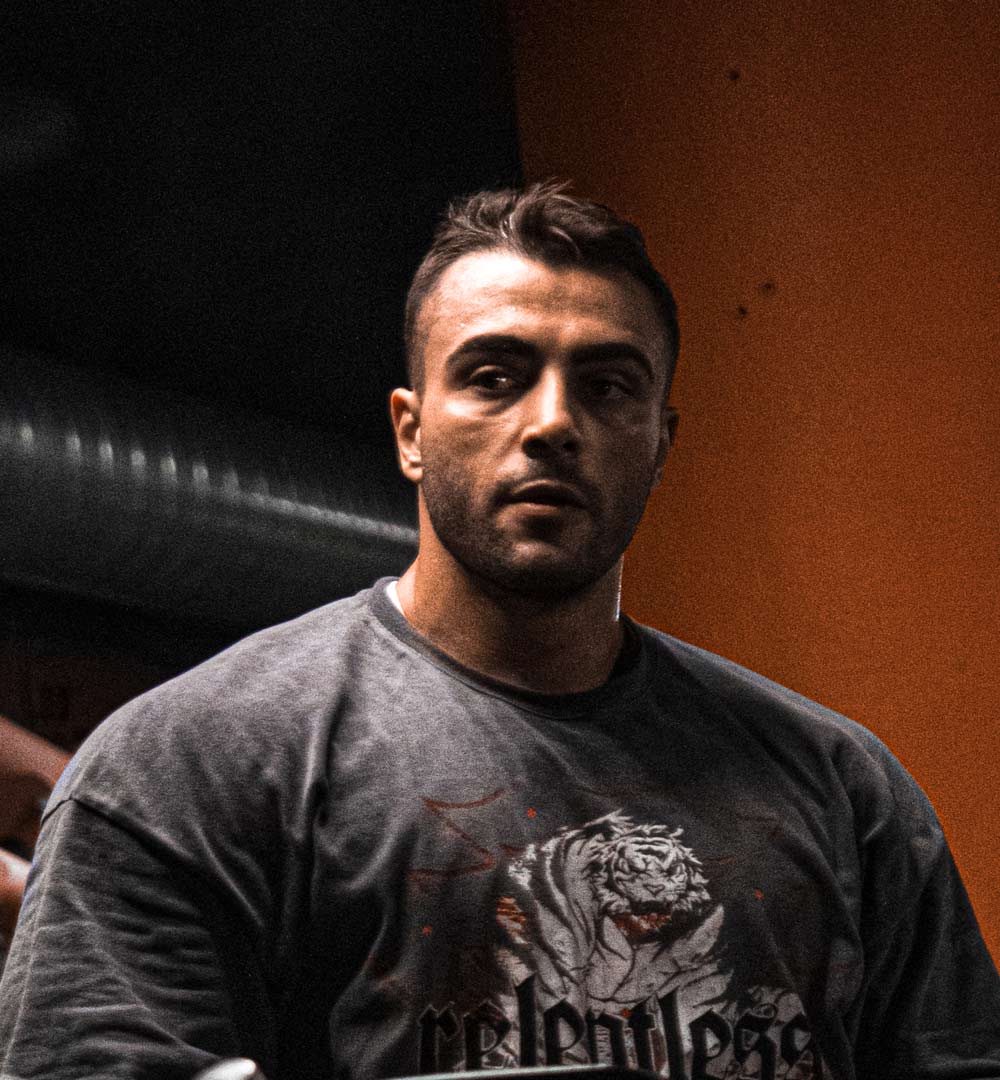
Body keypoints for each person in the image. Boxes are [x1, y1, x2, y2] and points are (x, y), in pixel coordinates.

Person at [1, 184, 998, 1080]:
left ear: (661, 442)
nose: (552, 422)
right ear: (409, 431)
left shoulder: (842, 787)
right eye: (493, 374)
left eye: (608, 385)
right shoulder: (189, 766)